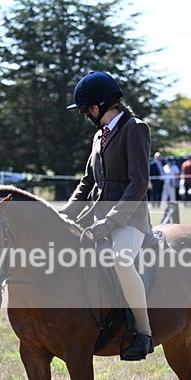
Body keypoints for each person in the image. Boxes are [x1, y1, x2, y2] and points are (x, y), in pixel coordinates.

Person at [60, 70, 155, 361]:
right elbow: (87, 182)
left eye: (86, 108)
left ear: (97, 105)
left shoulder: (135, 128)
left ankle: (143, 331)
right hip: (97, 216)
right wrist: (64, 215)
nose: (86, 114)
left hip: (130, 218)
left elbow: (138, 182)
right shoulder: (99, 137)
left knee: (120, 259)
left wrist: (112, 221)